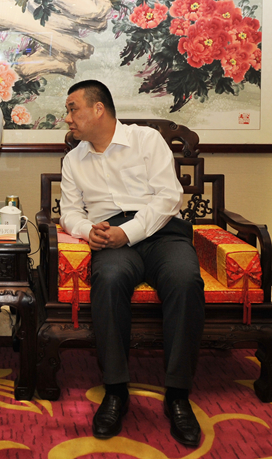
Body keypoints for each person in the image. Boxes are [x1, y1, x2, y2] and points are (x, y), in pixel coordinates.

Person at [59, 80, 205, 447]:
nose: (68, 118)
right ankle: (115, 390)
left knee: (185, 280)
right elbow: (69, 212)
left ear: (98, 109)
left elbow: (169, 197)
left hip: (161, 232)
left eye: (73, 109)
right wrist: (88, 231)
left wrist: (129, 232)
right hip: (110, 237)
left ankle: (177, 394)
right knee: (108, 279)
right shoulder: (74, 160)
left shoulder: (146, 140)